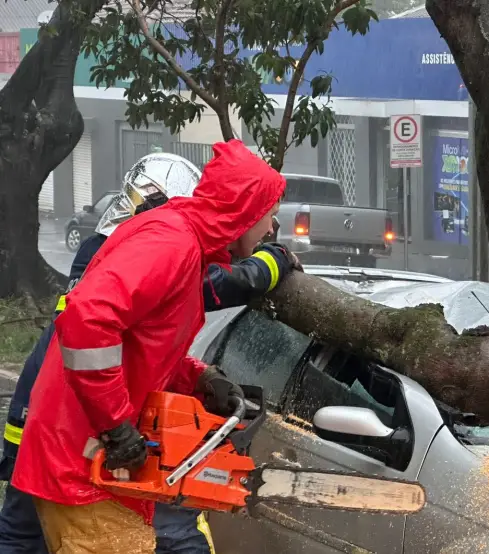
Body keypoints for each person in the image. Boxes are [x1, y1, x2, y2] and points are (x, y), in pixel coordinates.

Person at [0, 152, 298, 554]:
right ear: (244, 211)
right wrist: (116, 426)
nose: (270, 227)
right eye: (268, 214)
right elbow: (87, 320)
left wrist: (200, 378)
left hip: (90, 460)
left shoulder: (186, 246)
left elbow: (141, 344)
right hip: (80, 460)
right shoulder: (171, 243)